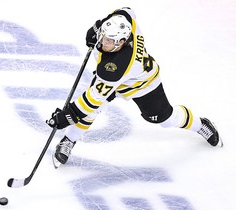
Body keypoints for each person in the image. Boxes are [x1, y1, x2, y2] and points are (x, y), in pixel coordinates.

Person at [46, 7, 223, 168]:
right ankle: (70, 139)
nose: (102, 41)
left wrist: (68, 115)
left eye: (107, 40)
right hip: (116, 80)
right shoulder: (126, 23)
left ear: (120, 42)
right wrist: (98, 27)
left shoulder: (116, 67)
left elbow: (92, 99)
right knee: (93, 112)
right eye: (102, 35)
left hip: (142, 84)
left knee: (165, 119)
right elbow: (126, 11)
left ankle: (200, 124)